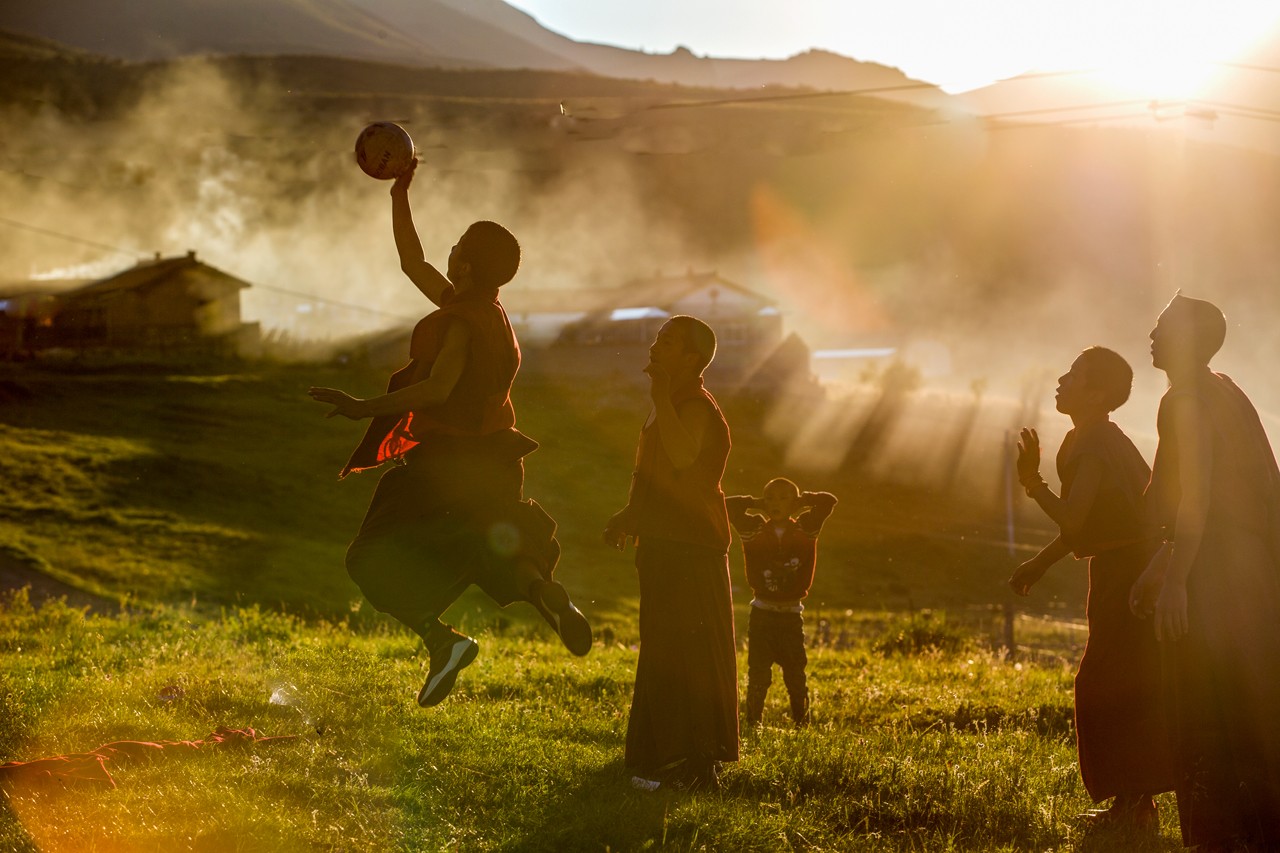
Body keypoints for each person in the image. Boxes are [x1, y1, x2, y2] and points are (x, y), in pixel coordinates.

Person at [309, 158, 591, 709]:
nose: (450, 247)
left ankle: (442, 639)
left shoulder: (457, 321)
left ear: (465, 262)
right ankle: (544, 594)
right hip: (499, 458)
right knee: (493, 537)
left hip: (444, 463)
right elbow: (410, 259)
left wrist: (363, 407)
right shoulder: (489, 311)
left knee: (367, 558)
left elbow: (437, 390)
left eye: (458, 243)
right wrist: (399, 194)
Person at [1129, 293, 1280, 850]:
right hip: (1253, 570)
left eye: (1162, 324)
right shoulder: (1226, 390)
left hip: (1217, 575)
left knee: (1207, 698)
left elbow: (1198, 496)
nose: (1151, 332)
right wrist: (1163, 561)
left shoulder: (1185, 400)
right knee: (1255, 701)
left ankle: (1222, 836)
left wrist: (1175, 580)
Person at [1008, 346, 1175, 830]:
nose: (1062, 379)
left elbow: (1074, 519)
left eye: (1075, 375)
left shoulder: (1095, 442)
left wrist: (1032, 482)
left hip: (1128, 576)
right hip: (1129, 568)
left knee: (1106, 683)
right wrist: (1040, 563)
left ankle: (1132, 805)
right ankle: (1134, 802)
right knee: (1122, 679)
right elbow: (1090, 524)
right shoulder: (1096, 436)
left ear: (1098, 393)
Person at [603, 315, 738, 791]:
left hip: (692, 548)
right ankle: (661, 756)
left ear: (692, 359)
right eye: (658, 337)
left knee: (688, 652)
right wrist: (629, 515)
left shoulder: (696, 406)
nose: (656, 346)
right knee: (662, 648)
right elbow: (654, 474)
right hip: (663, 544)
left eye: (669, 342)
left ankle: (694, 763)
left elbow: (683, 461)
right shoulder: (668, 404)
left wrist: (660, 396)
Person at [726, 479, 836, 728]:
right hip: (762, 614)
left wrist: (804, 499)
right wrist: (755, 504)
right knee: (758, 674)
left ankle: (801, 723)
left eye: (783, 498)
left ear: (794, 503)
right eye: (770, 498)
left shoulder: (807, 528)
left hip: (790, 616)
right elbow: (727, 507)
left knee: (796, 674)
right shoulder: (752, 528)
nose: (775, 503)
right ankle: (753, 723)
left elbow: (829, 501)